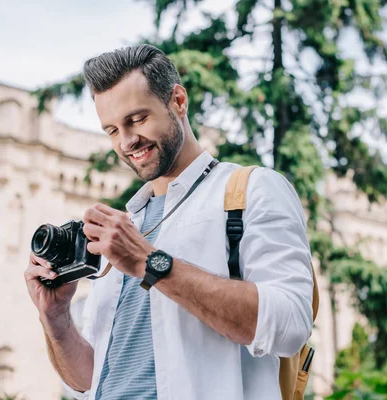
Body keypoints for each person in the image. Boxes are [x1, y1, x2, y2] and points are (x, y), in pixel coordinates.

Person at [24, 44, 314, 400]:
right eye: (112, 130)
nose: (127, 142)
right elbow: (90, 379)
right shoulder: (125, 230)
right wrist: (55, 318)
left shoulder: (252, 189)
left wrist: (149, 263)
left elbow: (290, 324)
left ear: (178, 101)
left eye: (137, 119)